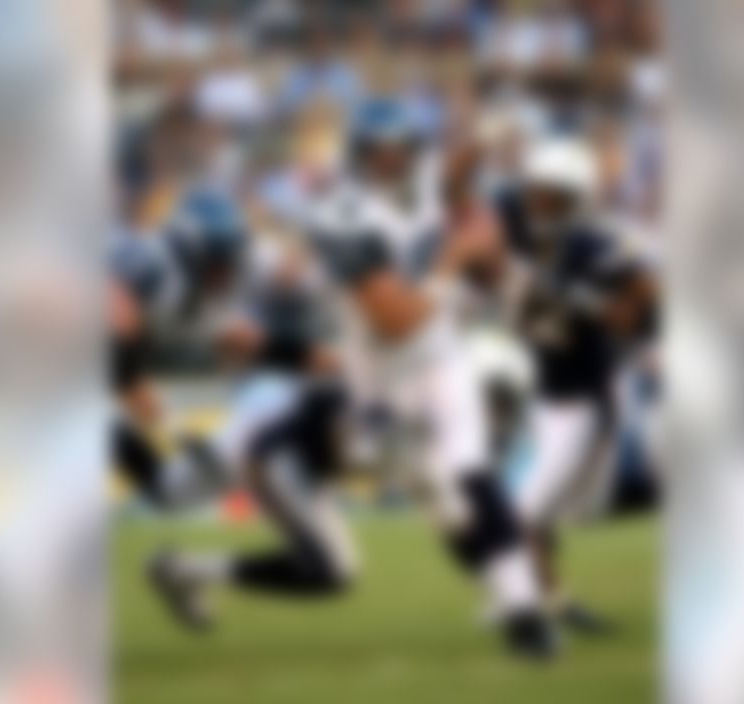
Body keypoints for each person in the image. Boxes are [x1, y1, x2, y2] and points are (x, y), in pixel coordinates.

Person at [305, 98, 556, 660]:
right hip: (380, 380)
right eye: (380, 152)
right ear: (360, 155)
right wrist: (455, 259)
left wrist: (483, 139)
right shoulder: (341, 214)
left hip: (440, 359)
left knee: (471, 474)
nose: (392, 161)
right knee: (447, 512)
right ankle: (505, 589)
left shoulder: (425, 182)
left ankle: (525, 613)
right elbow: (396, 323)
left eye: (401, 150)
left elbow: (451, 178)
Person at [109, 188, 358, 628]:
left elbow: (247, 342)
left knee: (171, 492)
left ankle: (178, 569)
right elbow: (112, 309)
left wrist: (332, 361)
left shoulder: (199, 291)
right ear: (193, 251)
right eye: (220, 262)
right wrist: (131, 382)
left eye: (230, 260)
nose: (229, 272)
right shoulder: (155, 266)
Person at [493, 136, 659, 633]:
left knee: (529, 514)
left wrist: (596, 310)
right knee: (532, 513)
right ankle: (554, 603)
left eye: (554, 194)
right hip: (547, 392)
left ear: (576, 197)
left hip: (586, 397)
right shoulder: (521, 226)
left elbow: (644, 298)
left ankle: (532, 608)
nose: (540, 202)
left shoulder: (593, 242)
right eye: (537, 191)